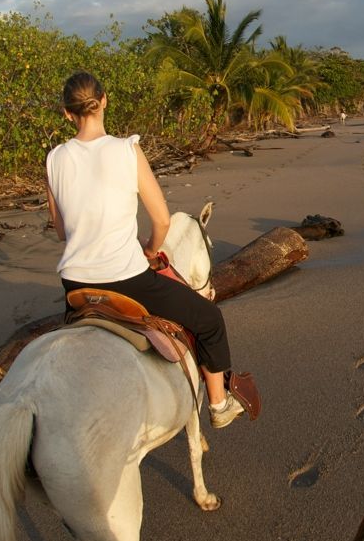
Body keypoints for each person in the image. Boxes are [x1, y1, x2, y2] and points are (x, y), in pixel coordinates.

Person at [45, 71, 245, 428]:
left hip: (74, 285)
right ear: (105, 100)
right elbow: (163, 220)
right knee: (210, 320)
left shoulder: (55, 158)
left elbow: (62, 231)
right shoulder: (126, 149)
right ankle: (218, 404)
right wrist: (151, 251)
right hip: (126, 280)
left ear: (66, 113)